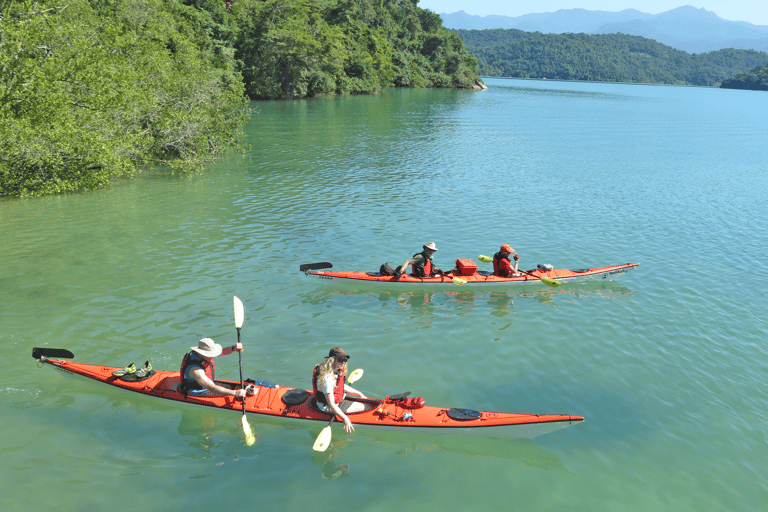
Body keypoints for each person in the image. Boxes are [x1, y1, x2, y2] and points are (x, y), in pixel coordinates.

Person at [312, 347, 367, 433]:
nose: (344, 362)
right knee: (366, 407)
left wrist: (359, 393)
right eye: (341, 359)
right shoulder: (327, 379)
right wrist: (345, 418)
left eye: (345, 359)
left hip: (332, 401)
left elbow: (340, 386)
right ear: (332, 360)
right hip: (327, 407)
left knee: (365, 404)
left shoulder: (334, 370)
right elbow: (331, 405)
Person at [179, 338, 251, 398]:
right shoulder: (195, 371)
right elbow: (212, 387)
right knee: (232, 395)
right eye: (210, 354)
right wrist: (235, 392)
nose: (213, 356)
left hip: (207, 385)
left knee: (242, 387)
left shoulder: (202, 355)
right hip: (198, 391)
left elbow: (222, 352)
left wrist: (233, 348)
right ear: (202, 353)